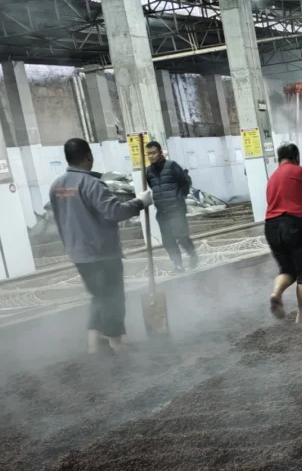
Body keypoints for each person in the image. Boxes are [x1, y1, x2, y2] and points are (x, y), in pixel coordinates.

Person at [49, 137, 152, 354]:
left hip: (78, 254)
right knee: (113, 297)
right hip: (102, 253)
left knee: (98, 295)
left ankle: (93, 343)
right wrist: (140, 202)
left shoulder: (56, 186)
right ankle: (117, 344)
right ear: (89, 157)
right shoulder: (92, 184)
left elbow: (59, 218)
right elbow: (114, 212)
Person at [264, 142, 302, 323]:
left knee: (287, 269)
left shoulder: (272, 177)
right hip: (295, 225)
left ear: (278, 159)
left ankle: (276, 293)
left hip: (271, 227)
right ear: (297, 157)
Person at [145, 140, 196, 272]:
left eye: (153, 153)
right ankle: (178, 265)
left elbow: (185, 182)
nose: (151, 156)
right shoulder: (148, 171)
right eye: (148, 154)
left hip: (176, 209)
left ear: (160, 153)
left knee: (181, 235)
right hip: (162, 212)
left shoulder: (171, 166)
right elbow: (153, 186)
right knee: (168, 241)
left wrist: (180, 197)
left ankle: (192, 255)